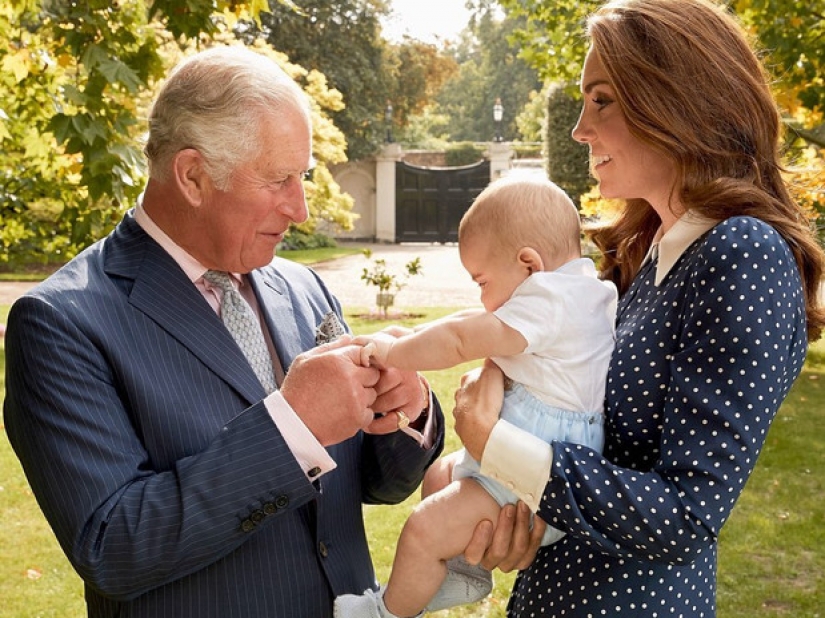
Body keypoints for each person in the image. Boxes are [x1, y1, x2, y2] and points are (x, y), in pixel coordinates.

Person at [3, 45, 484, 618]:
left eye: (302, 177)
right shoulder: (61, 322)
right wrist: (292, 425)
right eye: (279, 179)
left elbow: (375, 485)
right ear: (192, 176)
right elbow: (113, 548)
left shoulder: (303, 287)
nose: (301, 209)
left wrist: (406, 409)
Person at [449, 1, 825, 616]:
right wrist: (509, 495)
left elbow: (686, 516)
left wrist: (493, 442)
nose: (579, 129)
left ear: (679, 102)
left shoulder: (743, 252)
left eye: (601, 100)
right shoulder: (650, 255)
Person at [335, 175, 618, 618]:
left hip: (532, 470)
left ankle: (382, 612)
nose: (483, 298)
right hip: (539, 454)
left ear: (529, 265)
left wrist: (393, 353)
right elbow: (469, 320)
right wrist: (415, 334)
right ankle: (461, 573)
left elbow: (461, 339)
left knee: (423, 528)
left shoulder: (551, 300)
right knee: (439, 476)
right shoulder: (580, 292)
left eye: (483, 282)